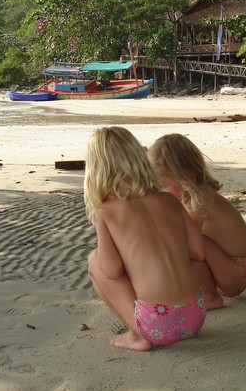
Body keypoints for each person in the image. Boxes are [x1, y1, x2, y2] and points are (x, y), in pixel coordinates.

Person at [84, 126, 207, 351]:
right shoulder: (170, 200)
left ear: (95, 170)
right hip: (196, 316)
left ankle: (137, 336)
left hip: (159, 326)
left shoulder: (106, 212)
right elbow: (199, 252)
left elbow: (110, 271)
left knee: (95, 260)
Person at [148, 134, 246, 310]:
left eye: (164, 186)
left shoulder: (201, 199)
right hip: (223, 268)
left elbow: (187, 242)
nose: (162, 192)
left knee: (192, 243)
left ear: (186, 178)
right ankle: (203, 291)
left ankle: (210, 296)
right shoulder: (189, 196)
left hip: (236, 272)